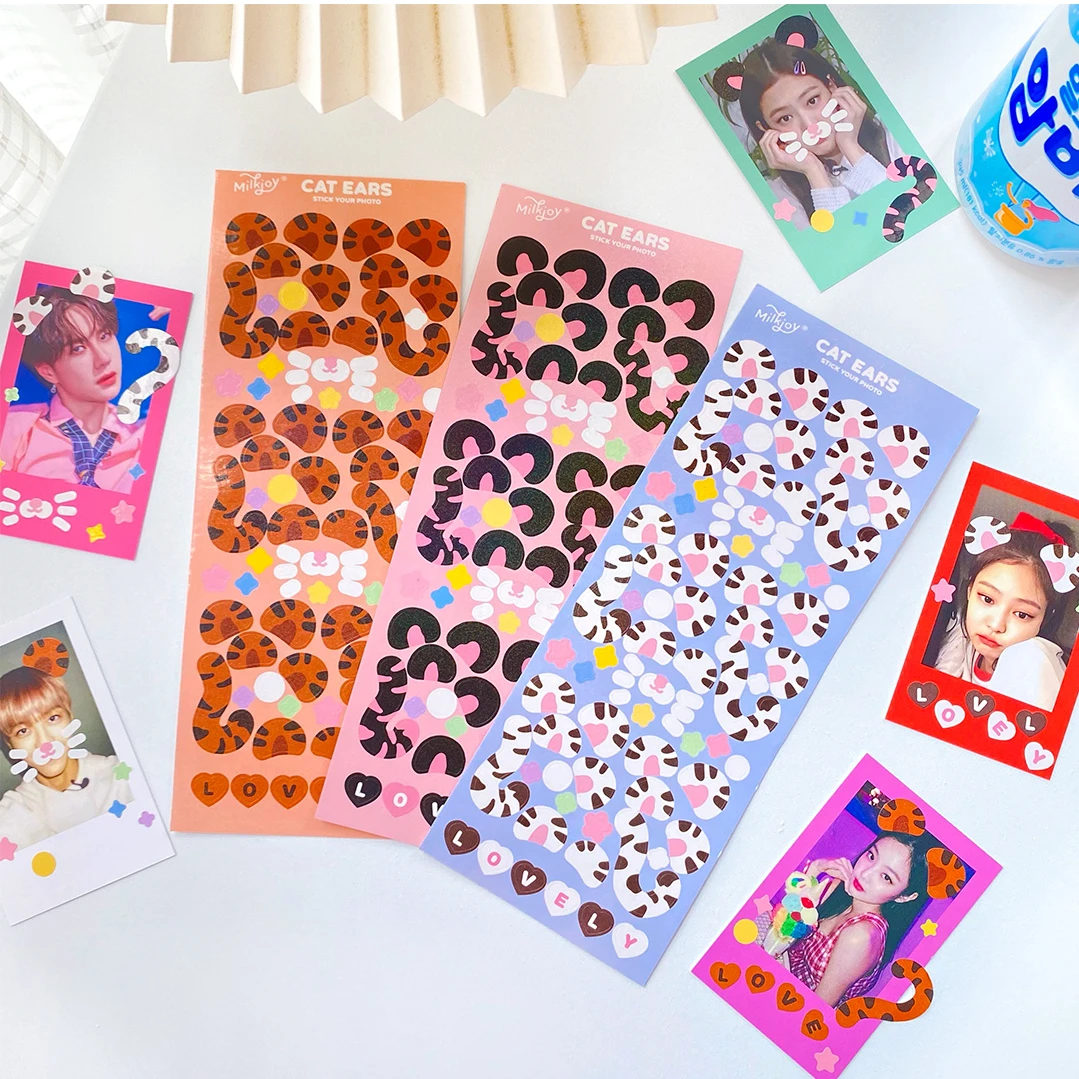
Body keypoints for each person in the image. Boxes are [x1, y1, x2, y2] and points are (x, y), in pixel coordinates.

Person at [718, 39, 901, 229]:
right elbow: (843, 240)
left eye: (812, 100)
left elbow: (903, 211)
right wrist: (814, 172)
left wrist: (850, 147)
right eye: (785, 118)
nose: (809, 125)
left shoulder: (894, 132)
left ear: (832, 86)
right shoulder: (781, 197)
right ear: (766, 129)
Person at [0, 286, 144, 491]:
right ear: (48, 372)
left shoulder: (143, 435)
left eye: (104, 336)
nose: (103, 358)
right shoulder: (15, 429)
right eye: (78, 349)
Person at [932, 514, 1074, 711]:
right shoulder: (958, 641)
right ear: (969, 590)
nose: (996, 625)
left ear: (1045, 618)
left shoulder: (1036, 665)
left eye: (1022, 614)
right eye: (987, 599)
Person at [784, 832, 928, 1007]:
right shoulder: (841, 889)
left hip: (793, 1006)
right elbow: (783, 927)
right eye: (871, 856)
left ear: (904, 897)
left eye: (886, 877)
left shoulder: (861, 936)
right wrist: (816, 869)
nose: (865, 873)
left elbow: (816, 1008)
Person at [0, 666, 131, 848]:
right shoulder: (14, 812)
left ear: (70, 716)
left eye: (53, 718)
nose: (44, 742)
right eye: (22, 731)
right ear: (10, 744)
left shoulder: (122, 775)